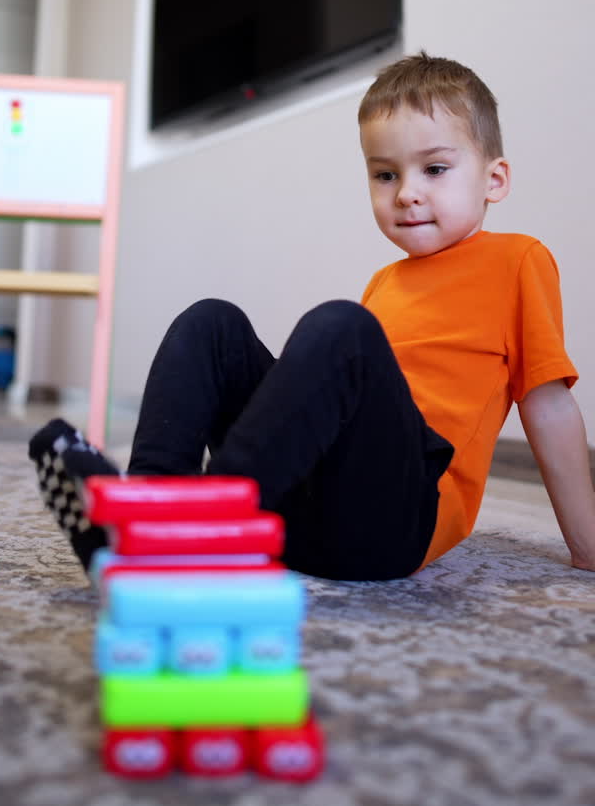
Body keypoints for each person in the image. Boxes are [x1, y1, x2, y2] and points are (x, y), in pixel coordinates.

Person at [29, 52, 595, 580]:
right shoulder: (386, 281)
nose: (406, 193)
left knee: (341, 327)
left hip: (396, 521)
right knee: (212, 323)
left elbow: (547, 404)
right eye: (386, 175)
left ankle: (200, 518)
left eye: (435, 169)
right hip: (298, 513)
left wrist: (587, 542)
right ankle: (149, 510)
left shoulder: (517, 260)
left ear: (494, 179)